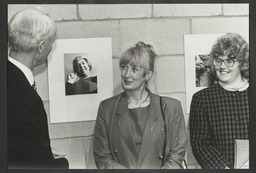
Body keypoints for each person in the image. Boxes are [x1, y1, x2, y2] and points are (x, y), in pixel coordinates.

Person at [93, 42, 187, 169]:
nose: (126, 75)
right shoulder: (107, 108)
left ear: (148, 74)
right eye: (124, 67)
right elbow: (102, 157)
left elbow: (176, 156)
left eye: (134, 69)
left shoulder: (170, 107)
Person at [8, 7, 69, 169]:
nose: (52, 46)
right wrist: (62, 163)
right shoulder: (27, 99)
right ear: (41, 46)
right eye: (52, 42)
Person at [189, 33, 249, 169]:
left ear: (242, 63)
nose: (222, 66)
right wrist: (223, 168)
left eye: (230, 61)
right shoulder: (202, 99)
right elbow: (200, 143)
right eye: (218, 60)